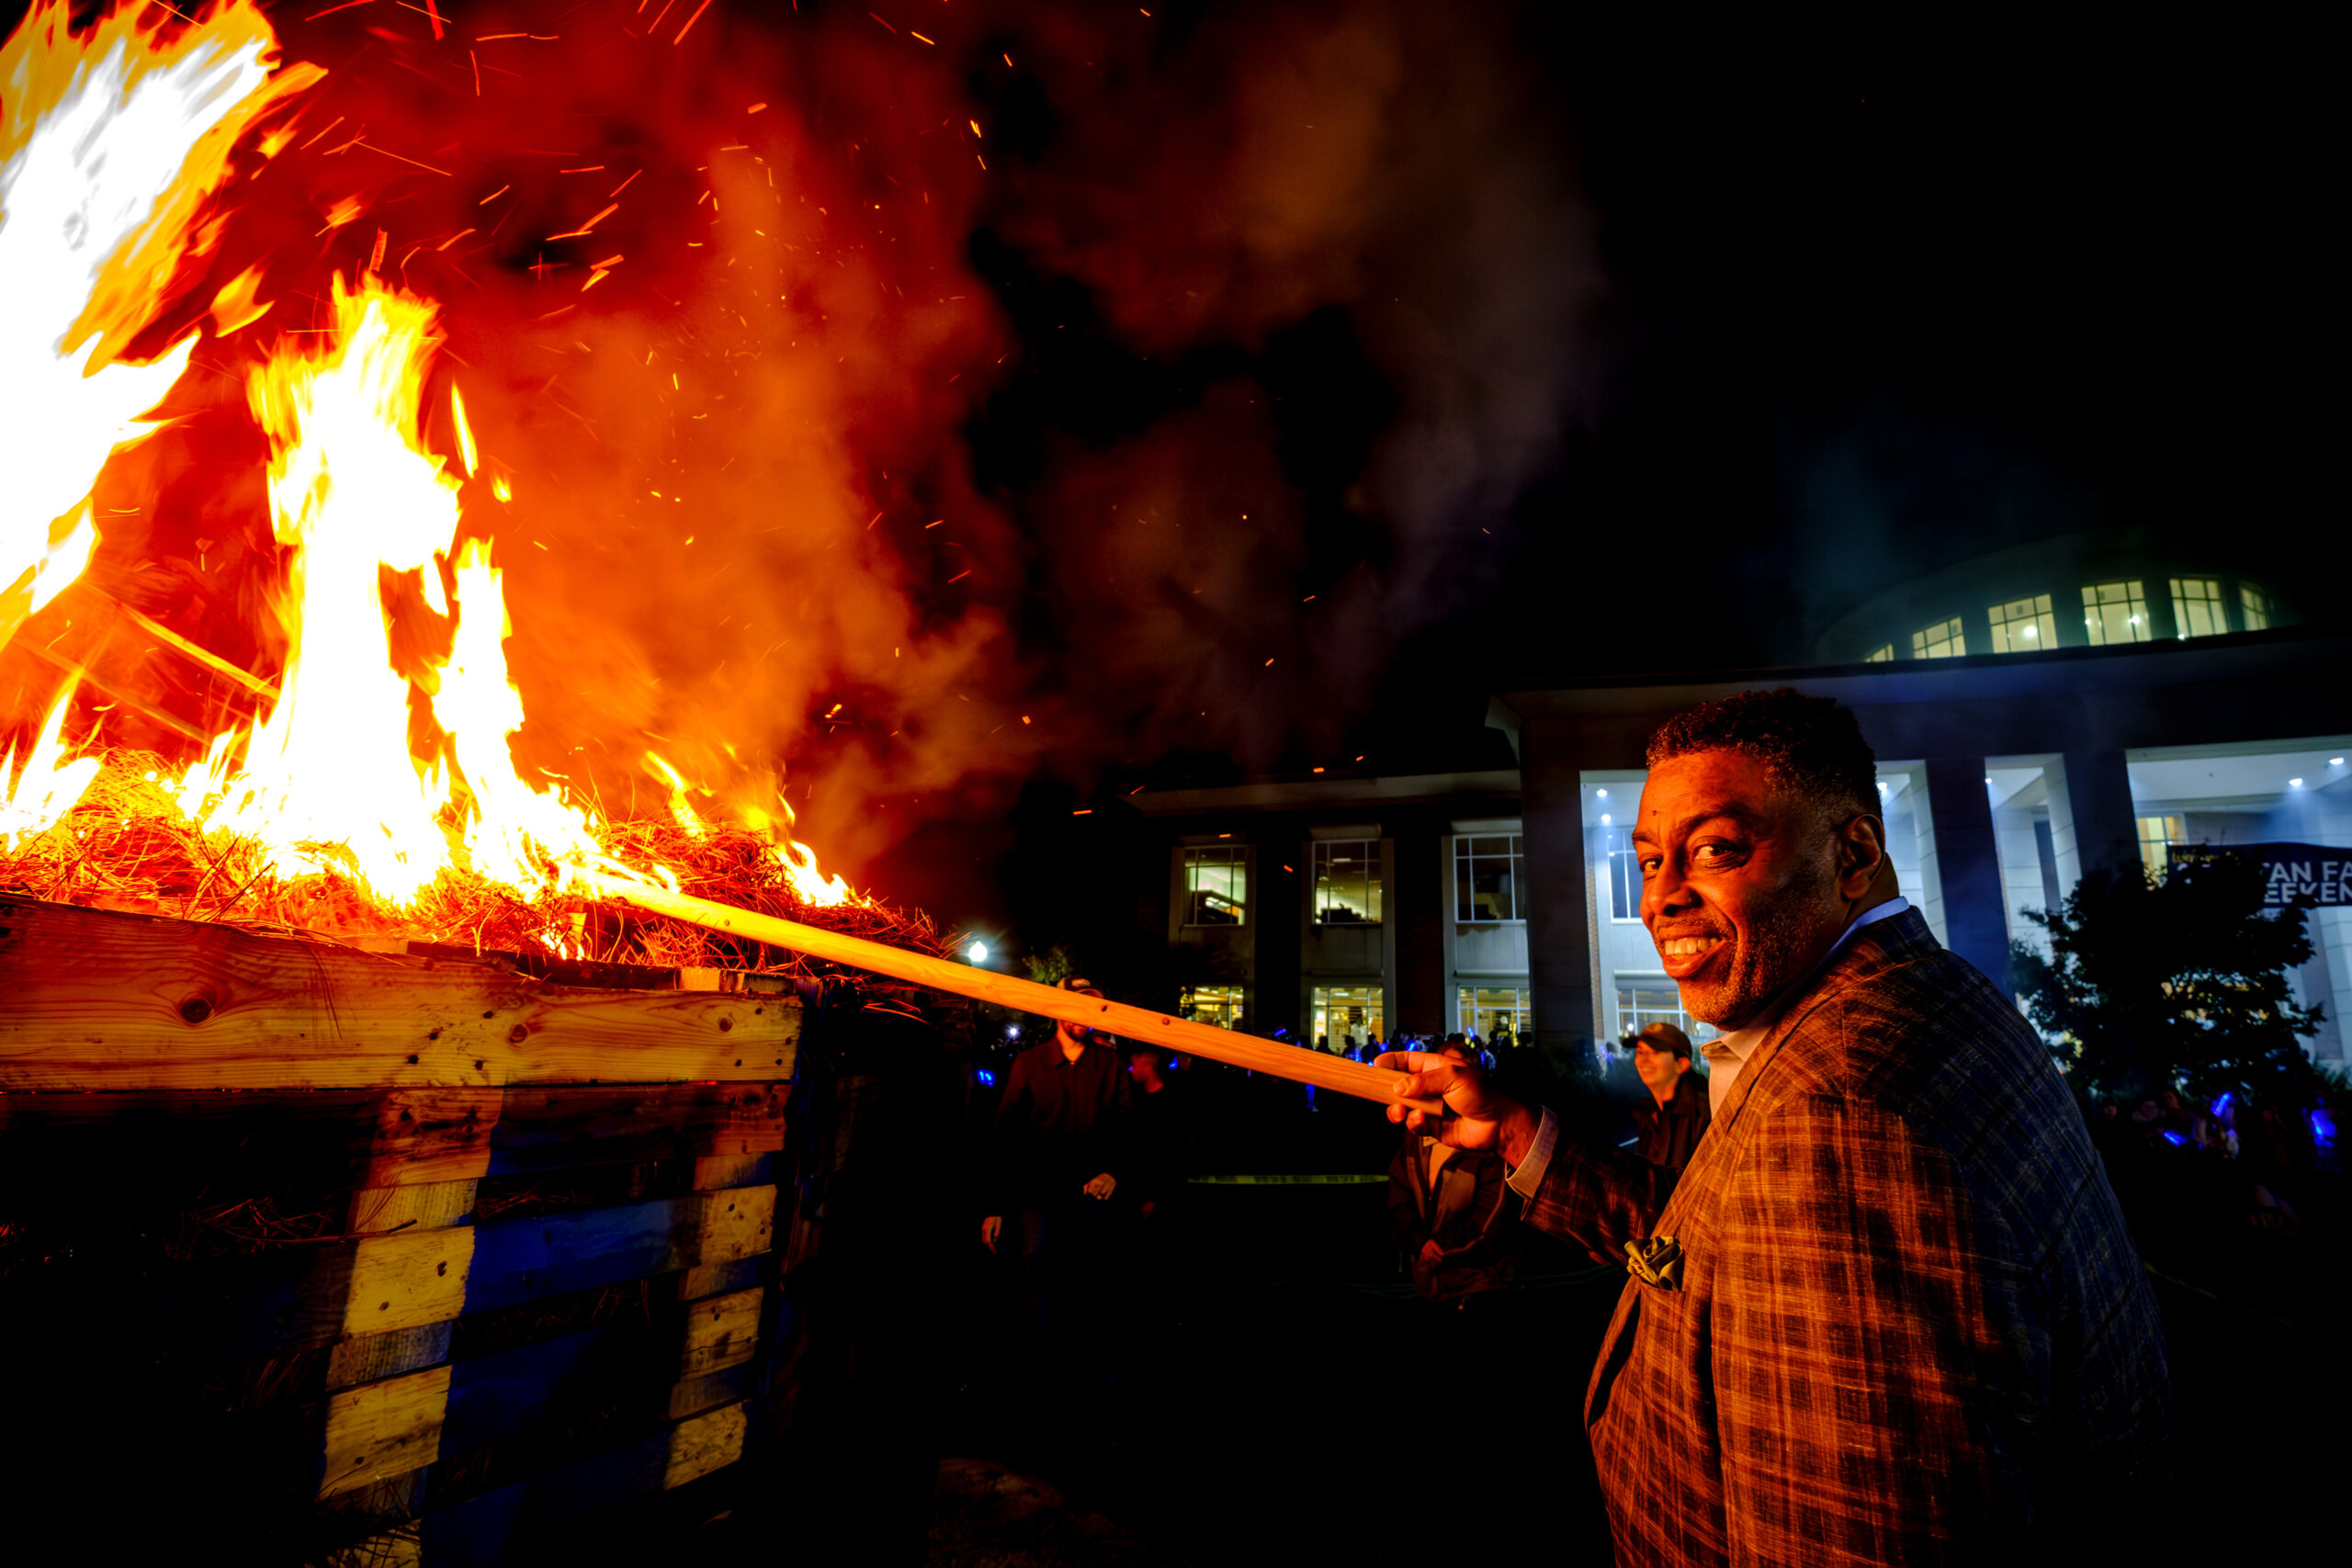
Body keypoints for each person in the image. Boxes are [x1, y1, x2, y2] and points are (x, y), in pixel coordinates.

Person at [1380, 688, 2168, 1561]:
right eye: (1649, 861)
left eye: (1716, 849)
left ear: (1853, 851)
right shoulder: (1920, 999)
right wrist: (1519, 1132)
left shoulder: (1842, 1119)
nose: (1662, 900)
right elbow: (1729, 1261)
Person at [981, 976, 1132, 1348]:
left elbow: (1129, 1127)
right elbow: (1005, 1138)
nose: (1087, 1015)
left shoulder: (1110, 1066)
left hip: (1094, 1201)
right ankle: (1043, 1372)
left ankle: (1090, 1372)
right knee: (1040, 1286)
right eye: (1079, 1004)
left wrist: (1114, 1171)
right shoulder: (1030, 1065)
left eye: (1094, 1006)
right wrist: (995, 1207)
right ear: (1058, 1010)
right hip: (1041, 1199)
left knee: (1095, 1286)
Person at [1386, 1037, 1519, 1309]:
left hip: (1478, 1285)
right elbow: (1399, 1195)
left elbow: (1492, 1221)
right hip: (1426, 1284)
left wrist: (1441, 1249)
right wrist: (1418, 1242)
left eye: (1460, 1071)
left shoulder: (1486, 1147)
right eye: (1442, 1071)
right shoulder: (1417, 1136)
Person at [1626, 1021, 1710, 1173]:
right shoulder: (1648, 1114)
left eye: (1655, 1052)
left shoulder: (1703, 1114)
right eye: (1640, 1052)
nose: (1643, 1061)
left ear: (1681, 1064)